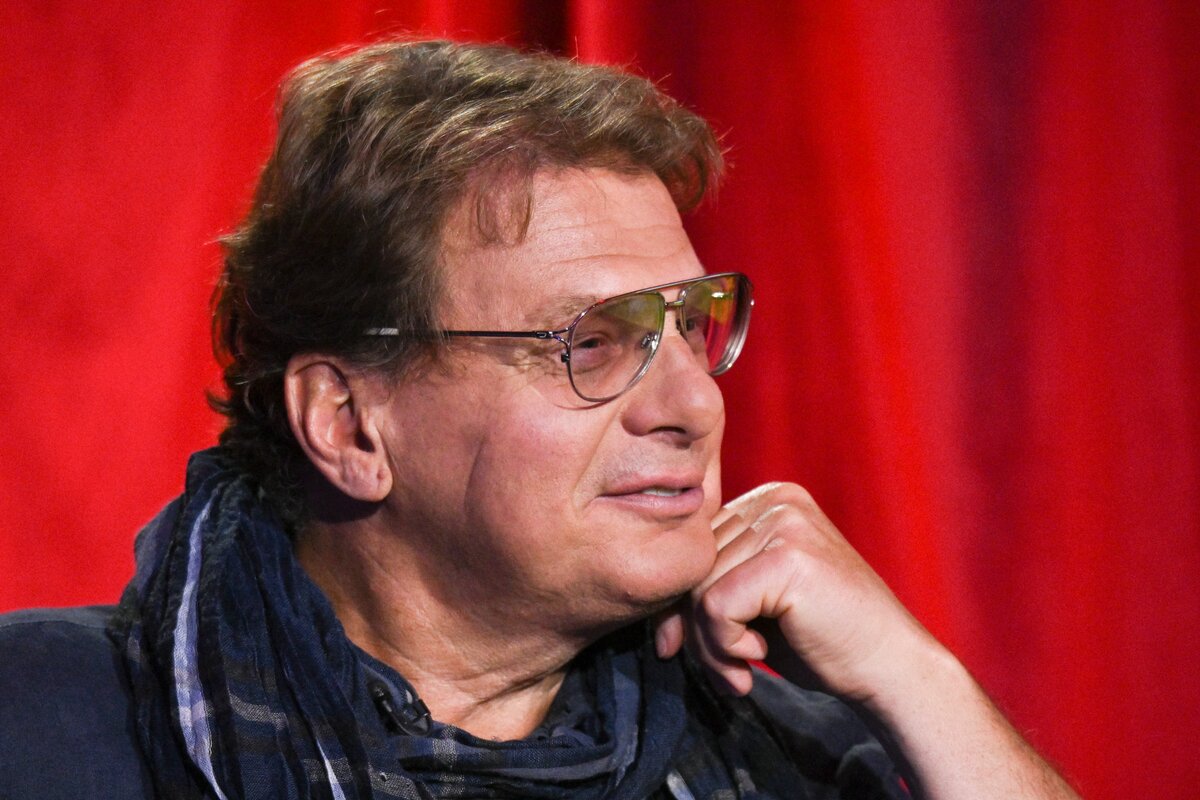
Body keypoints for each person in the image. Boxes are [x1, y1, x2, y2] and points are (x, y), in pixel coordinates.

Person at [0, 40, 1079, 800]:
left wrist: (917, 676)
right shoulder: (44, 727)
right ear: (350, 423)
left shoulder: (796, 754)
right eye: (593, 343)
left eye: (690, 328)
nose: (693, 404)